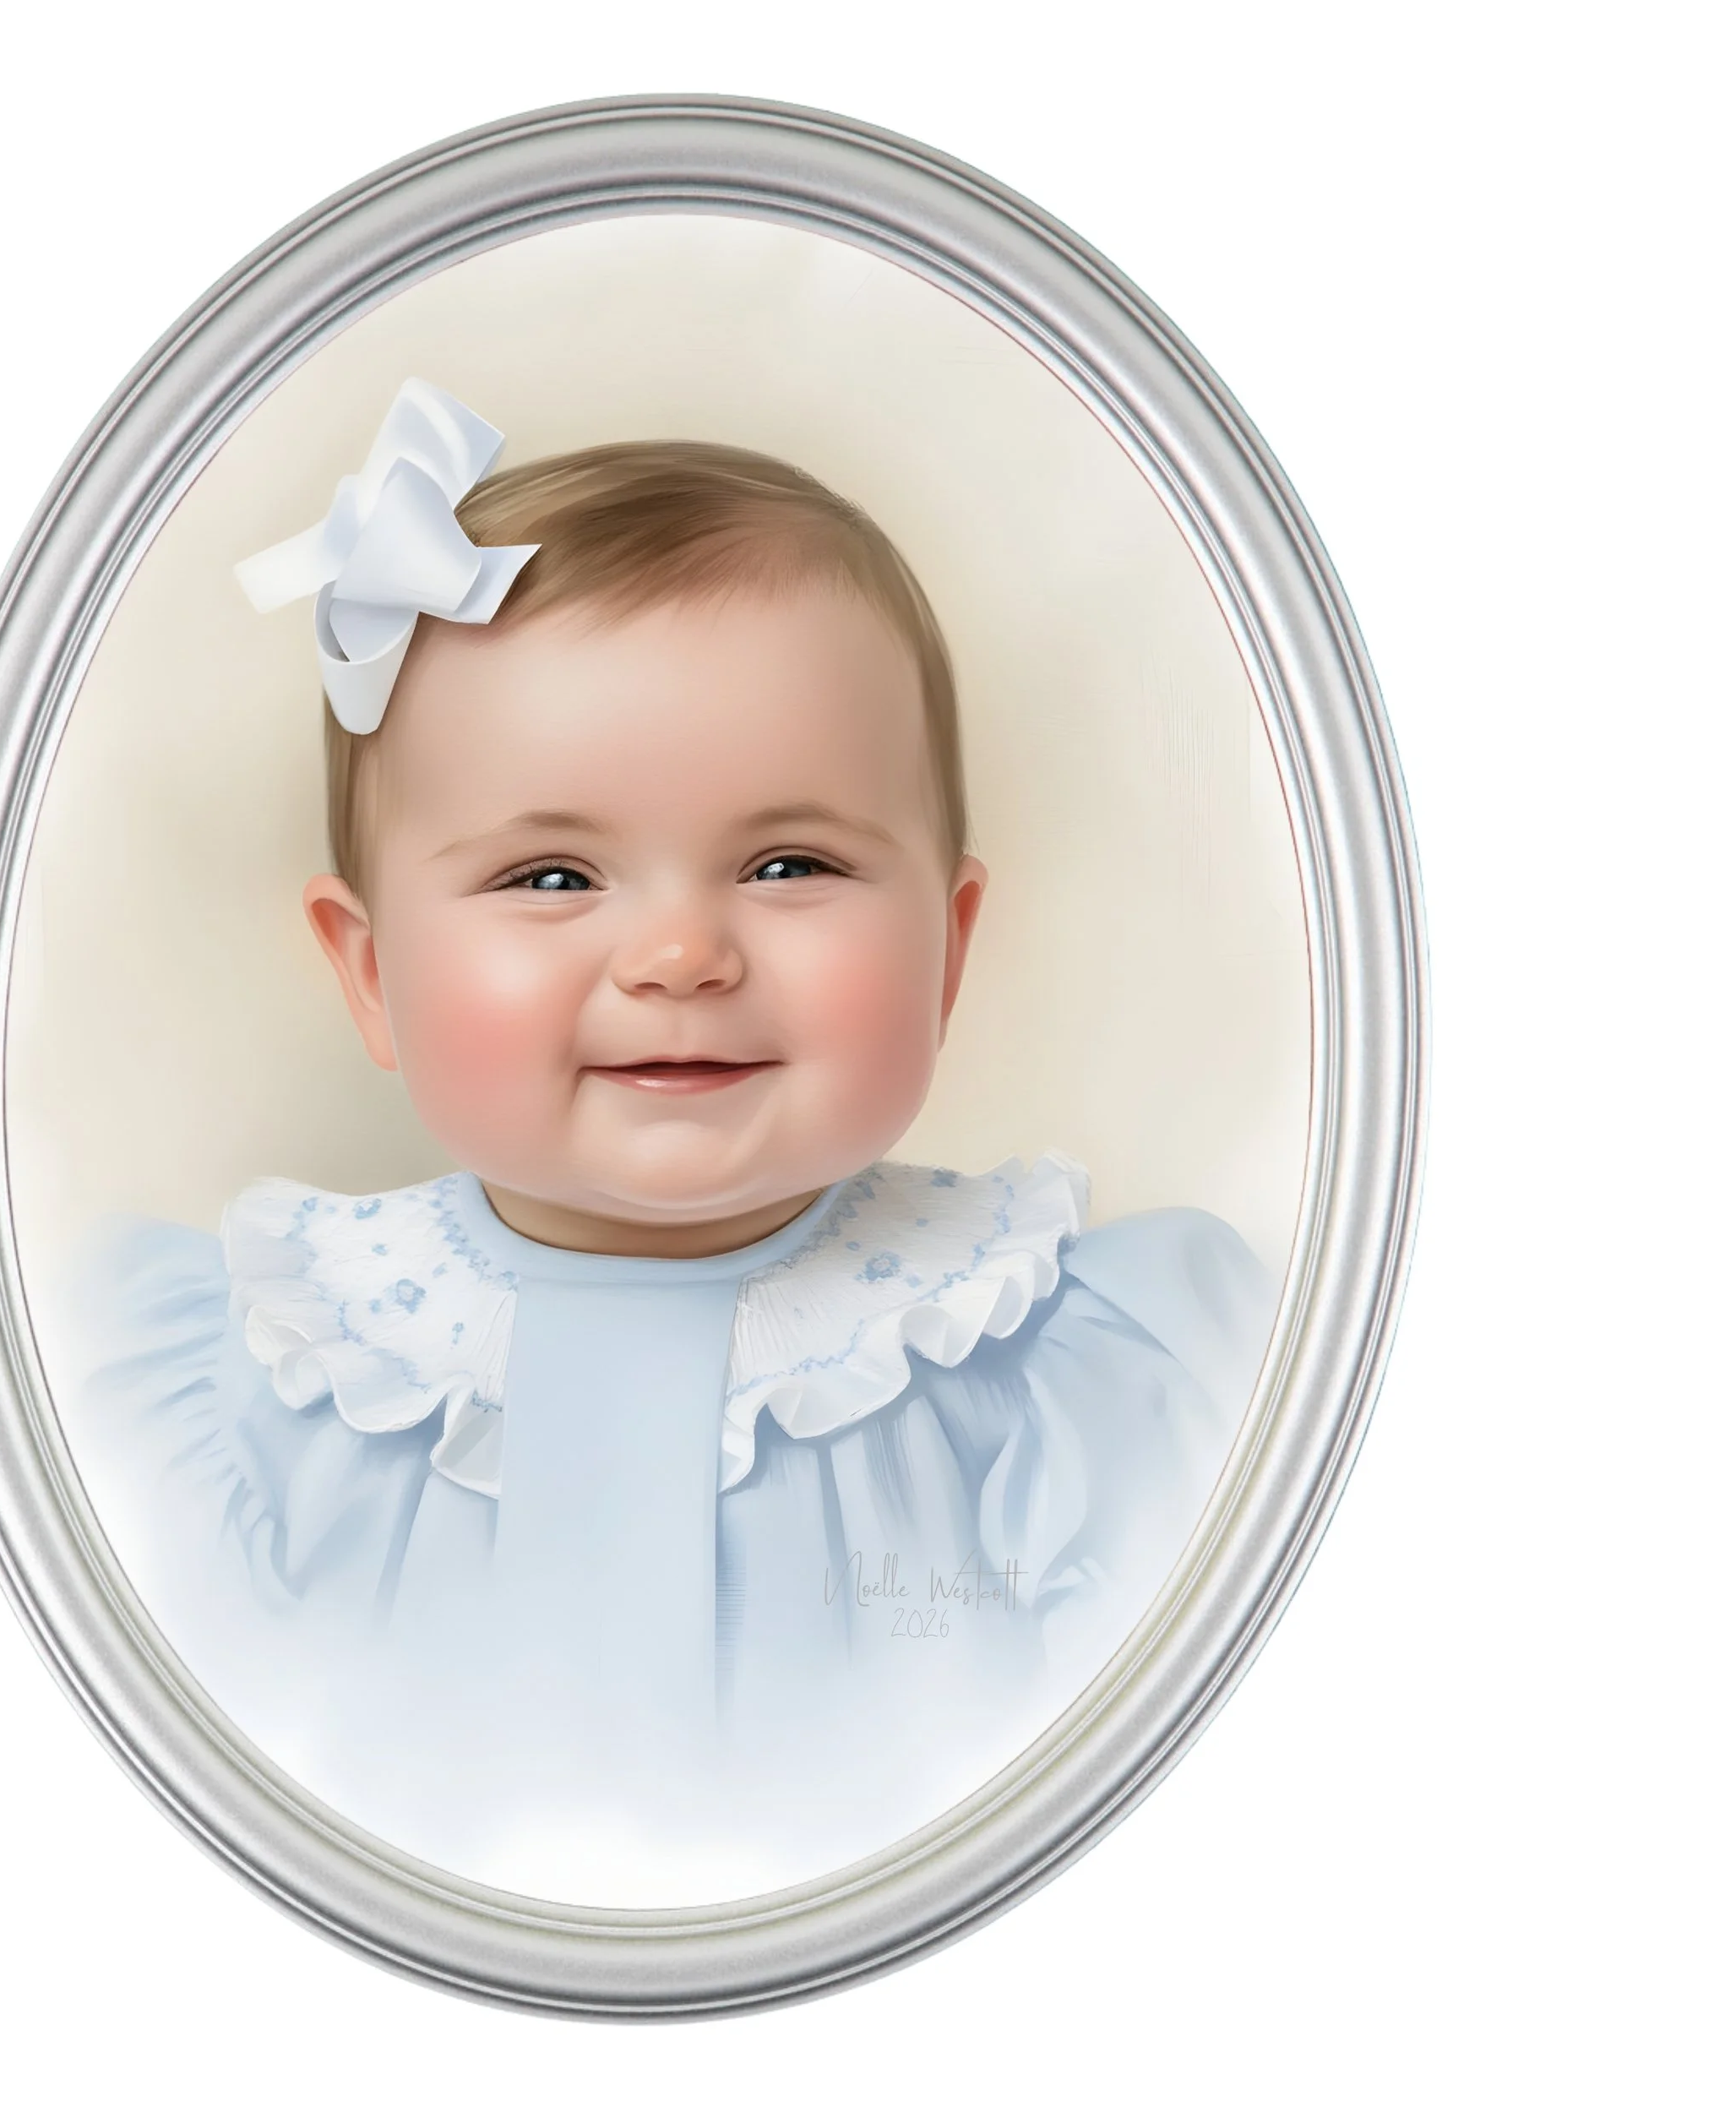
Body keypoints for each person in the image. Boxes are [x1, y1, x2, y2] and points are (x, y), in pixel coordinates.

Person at [62, 379, 1274, 1905]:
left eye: (788, 861)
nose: (682, 955)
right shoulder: (241, 1387)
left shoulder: (1087, 1372)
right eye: (554, 878)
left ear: (948, 951)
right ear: (372, 974)